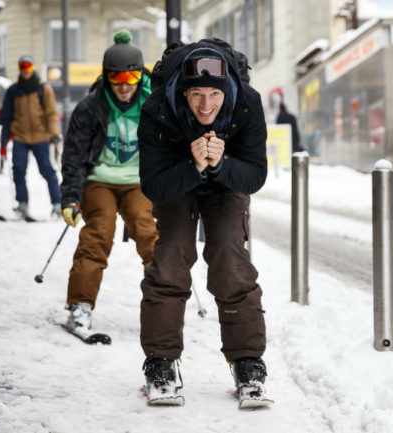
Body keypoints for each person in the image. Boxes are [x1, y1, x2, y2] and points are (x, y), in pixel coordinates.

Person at [137, 38, 269, 407]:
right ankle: (160, 362)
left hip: (226, 185)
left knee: (230, 258)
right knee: (170, 259)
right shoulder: (157, 109)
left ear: (227, 91)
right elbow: (153, 184)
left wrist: (222, 165)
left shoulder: (247, 105)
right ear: (183, 92)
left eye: (214, 94)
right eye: (196, 94)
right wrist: (194, 166)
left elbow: (256, 175)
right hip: (178, 181)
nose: (206, 104)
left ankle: (247, 362)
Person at [59, 30, 158, 340]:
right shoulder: (90, 107)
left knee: (147, 229)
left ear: (141, 76)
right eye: (117, 77)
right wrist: (71, 198)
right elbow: (74, 155)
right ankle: (80, 306)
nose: (124, 85)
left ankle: (164, 302)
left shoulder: (156, 106)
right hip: (99, 179)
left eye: (131, 76)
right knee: (99, 231)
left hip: (138, 181)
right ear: (107, 76)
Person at [0, 55, 62, 220]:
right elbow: (7, 116)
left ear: (33, 68)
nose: (25, 70)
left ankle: (57, 204)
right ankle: (22, 204)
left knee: (47, 171)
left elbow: (52, 114)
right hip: (20, 136)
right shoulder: (13, 91)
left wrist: (54, 134)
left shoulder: (44, 89)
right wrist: (4, 138)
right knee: (18, 171)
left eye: (28, 67)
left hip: (41, 137)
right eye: (22, 67)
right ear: (20, 69)